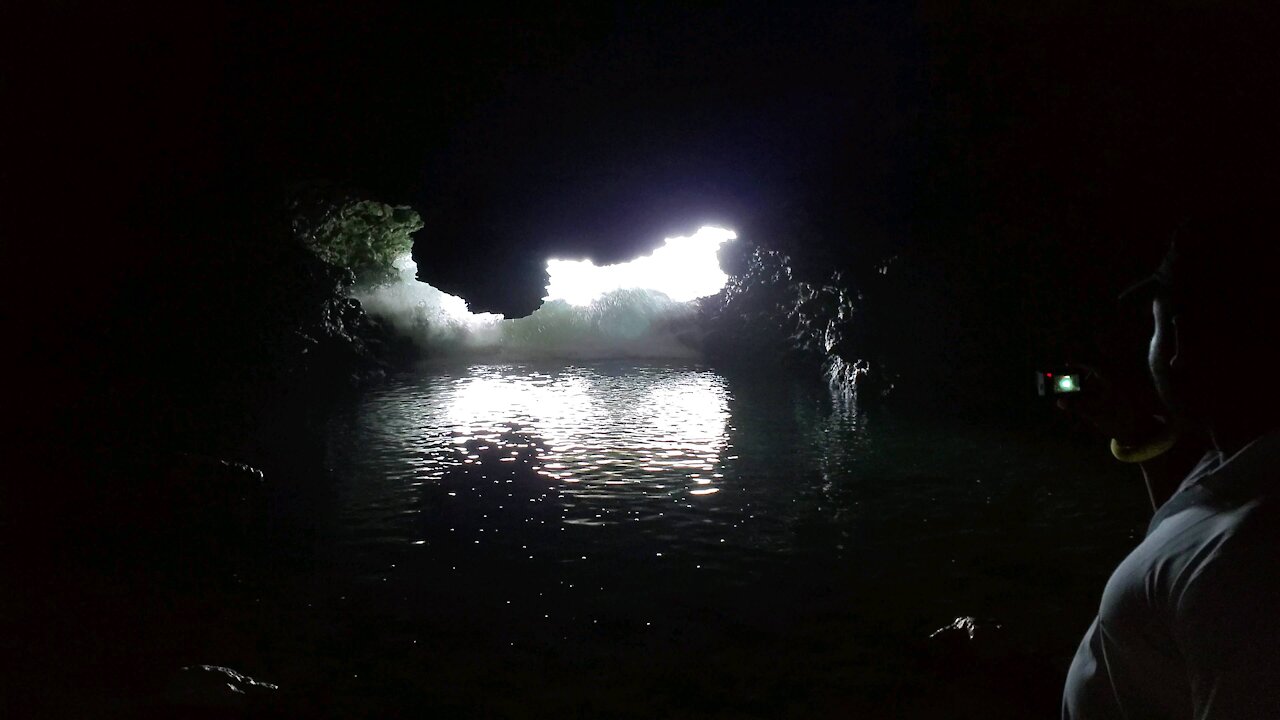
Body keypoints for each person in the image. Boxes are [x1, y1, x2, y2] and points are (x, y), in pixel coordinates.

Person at [1060, 210, 1280, 719]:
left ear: (1178, 342)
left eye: (1154, 329)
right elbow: (1181, 541)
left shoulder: (1244, 568)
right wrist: (1134, 434)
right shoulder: (1236, 461)